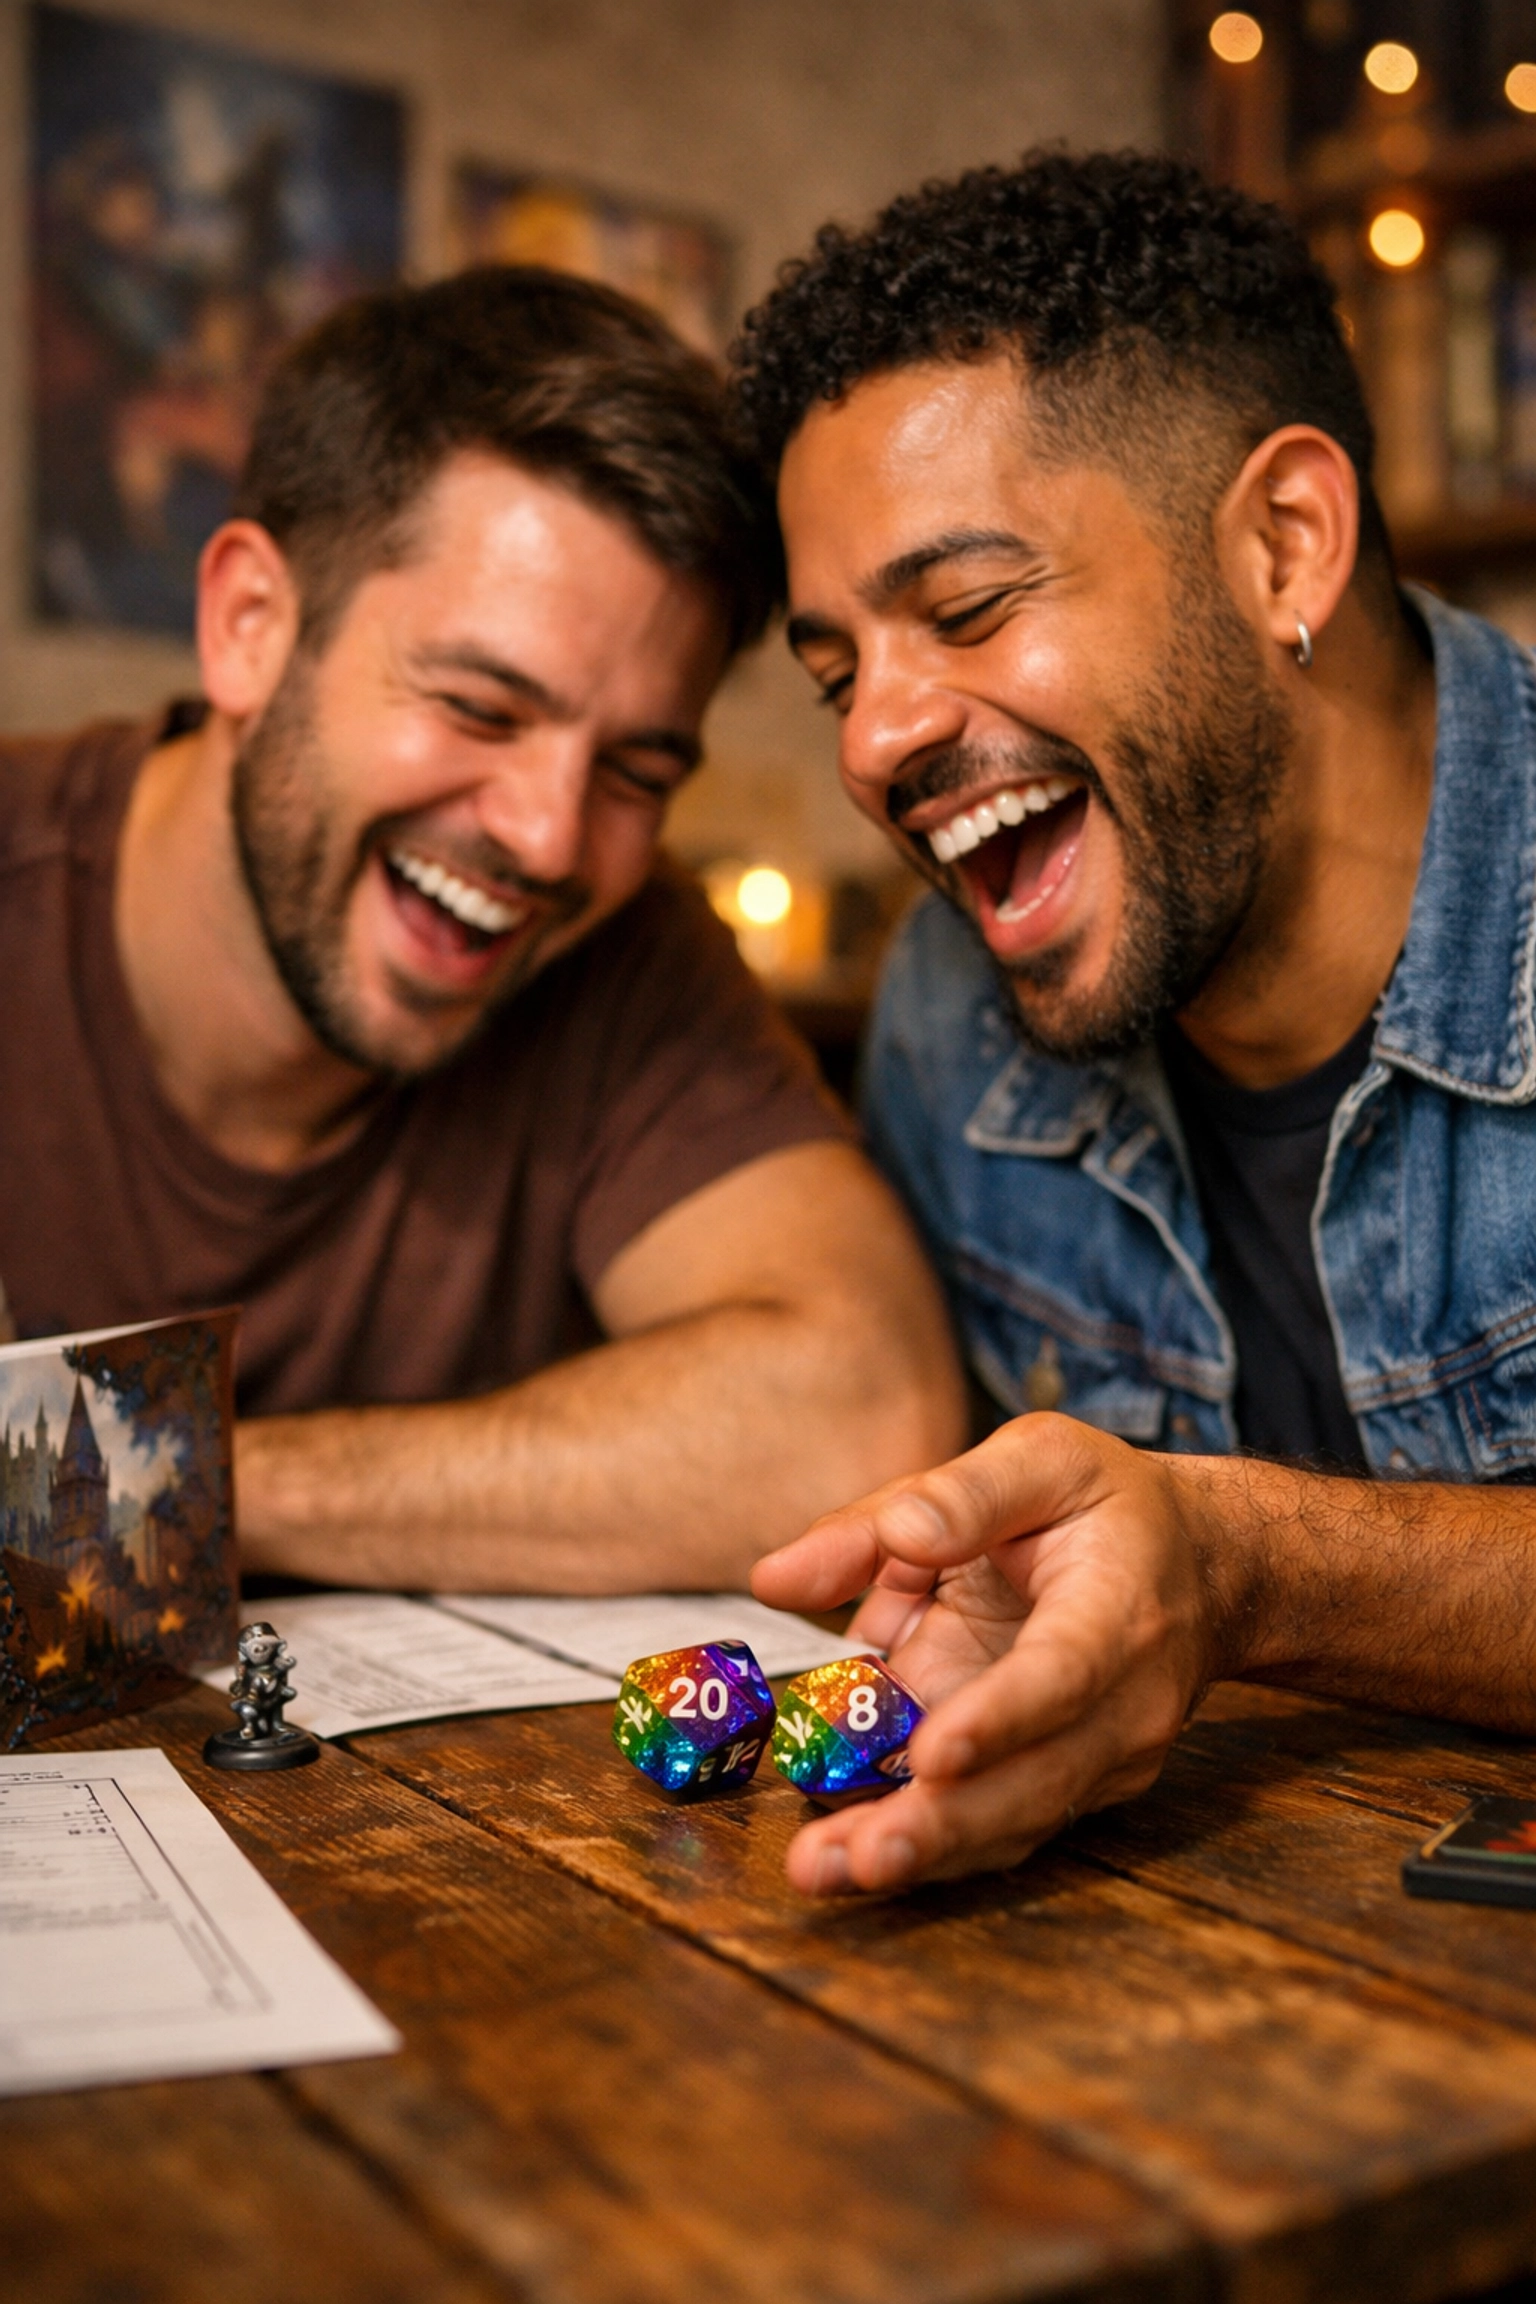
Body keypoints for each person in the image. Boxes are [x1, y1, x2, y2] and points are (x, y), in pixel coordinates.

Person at [731, 150, 1536, 1895]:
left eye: (965, 610)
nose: (870, 744)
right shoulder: (953, 1010)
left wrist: (1249, 1566)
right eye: (833, 671)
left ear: (1285, 546)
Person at [0, 267, 963, 1593]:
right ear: (248, 627)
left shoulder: (630, 952)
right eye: (478, 706)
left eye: (635, 769)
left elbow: (864, 1416)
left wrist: (159, 1479)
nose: (551, 841)